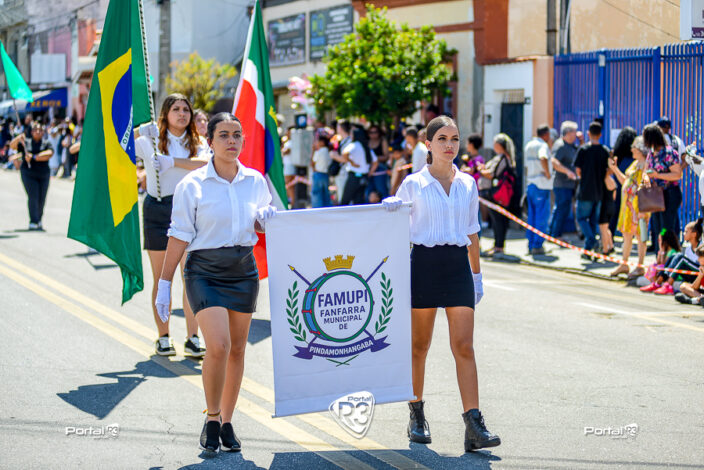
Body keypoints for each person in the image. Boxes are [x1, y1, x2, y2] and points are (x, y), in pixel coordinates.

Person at [156, 112, 275, 454]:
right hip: (204, 271)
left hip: (243, 271)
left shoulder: (255, 181)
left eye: (237, 135)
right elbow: (179, 234)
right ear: (209, 142)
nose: (231, 141)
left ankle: (227, 421)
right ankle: (211, 417)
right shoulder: (191, 185)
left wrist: (265, 219)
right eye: (223, 135)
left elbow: (261, 223)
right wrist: (165, 283)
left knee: (237, 349)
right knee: (219, 346)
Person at [383, 115, 500, 452]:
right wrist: (389, 211)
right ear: (428, 145)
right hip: (424, 265)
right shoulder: (413, 184)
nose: (450, 145)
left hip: (457, 266)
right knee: (419, 347)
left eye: (455, 139)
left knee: (464, 346)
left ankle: (473, 423)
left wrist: (476, 276)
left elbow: (472, 233)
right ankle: (416, 415)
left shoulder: (468, 184)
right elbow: (393, 230)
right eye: (442, 139)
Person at [134, 93, 209, 357]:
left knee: (190, 276)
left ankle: (192, 337)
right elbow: (118, 143)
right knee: (162, 278)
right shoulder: (150, 140)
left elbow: (205, 163)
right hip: (158, 208)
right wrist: (140, 130)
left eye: (186, 109)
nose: (182, 114)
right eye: (176, 109)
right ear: (165, 114)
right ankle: (163, 336)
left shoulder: (197, 142)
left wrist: (172, 162)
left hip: (189, 212)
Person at [608, 136, 650, 279]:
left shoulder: (646, 165)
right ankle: (624, 264)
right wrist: (614, 169)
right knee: (627, 235)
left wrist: (643, 209)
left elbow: (646, 187)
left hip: (641, 208)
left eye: (634, 147)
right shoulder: (635, 164)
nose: (631, 149)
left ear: (640, 149)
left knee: (641, 236)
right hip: (629, 208)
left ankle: (640, 266)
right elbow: (626, 182)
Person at [642, 123, 683, 251]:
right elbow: (645, 172)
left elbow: (677, 175)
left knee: (666, 229)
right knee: (657, 228)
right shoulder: (651, 153)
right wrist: (647, 180)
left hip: (670, 194)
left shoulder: (670, 153)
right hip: (656, 195)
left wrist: (657, 175)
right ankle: (659, 256)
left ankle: (669, 256)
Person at [574, 121, 610, 258]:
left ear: (588, 133)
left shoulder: (583, 150)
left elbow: (578, 170)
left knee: (582, 218)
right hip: (599, 191)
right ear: (600, 134)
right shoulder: (604, 151)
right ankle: (589, 250)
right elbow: (609, 170)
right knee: (594, 221)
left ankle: (592, 241)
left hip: (585, 190)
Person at [9, 123, 54, 230]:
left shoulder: (46, 143)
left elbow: (49, 153)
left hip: (43, 174)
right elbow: (12, 146)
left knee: (42, 198)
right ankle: (33, 221)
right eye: (35, 130)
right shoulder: (26, 142)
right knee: (33, 196)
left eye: (40, 130)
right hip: (28, 173)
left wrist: (34, 157)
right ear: (32, 131)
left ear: (43, 132)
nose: (38, 132)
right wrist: (18, 138)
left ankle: (39, 219)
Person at [641, 218, 703, 295]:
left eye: (686, 232)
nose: (683, 234)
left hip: (700, 273)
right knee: (674, 256)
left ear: (694, 234)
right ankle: (658, 283)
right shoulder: (688, 248)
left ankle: (668, 285)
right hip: (691, 274)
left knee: (681, 257)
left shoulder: (702, 246)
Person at [479, 134, 516, 257]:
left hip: (496, 194)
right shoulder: (503, 158)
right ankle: (497, 245)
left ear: (499, 145)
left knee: (498, 220)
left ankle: (498, 246)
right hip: (497, 194)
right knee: (497, 220)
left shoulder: (503, 158)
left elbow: (492, 174)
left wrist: (480, 170)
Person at [524, 124, 553, 255]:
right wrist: (548, 173)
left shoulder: (529, 145)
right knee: (542, 216)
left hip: (531, 183)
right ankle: (537, 245)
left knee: (532, 216)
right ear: (546, 134)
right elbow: (543, 158)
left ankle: (531, 244)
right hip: (541, 185)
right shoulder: (543, 145)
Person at [548, 121, 579, 237]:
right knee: (561, 209)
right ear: (568, 133)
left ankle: (553, 233)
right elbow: (553, 161)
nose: (575, 134)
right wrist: (567, 172)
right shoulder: (560, 145)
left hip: (569, 184)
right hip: (561, 184)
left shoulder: (571, 146)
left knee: (563, 209)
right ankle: (555, 234)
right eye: (574, 132)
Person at [609, 127, 638, 235]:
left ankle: (610, 235)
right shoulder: (635, 158)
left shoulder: (617, 155)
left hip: (618, 188)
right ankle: (634, 236)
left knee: (614, 213)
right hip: (632, 189)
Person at [338, 127, 377, 205]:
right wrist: (370, 172)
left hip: (354, 177)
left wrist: (351, 162)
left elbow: (344, 153)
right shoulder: (366, 147)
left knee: (345, 201)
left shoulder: (354, 145)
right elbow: (375, 162)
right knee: (359, 202)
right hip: (364, 177)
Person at [310, 132, 332, 208]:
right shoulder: (329, 152)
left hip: (318, 174)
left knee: (317, 194)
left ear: (322, 142)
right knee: (325, 194)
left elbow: (312, 162)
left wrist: (313, 151)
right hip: (326, 175)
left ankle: (317, 210)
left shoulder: (318, 152)